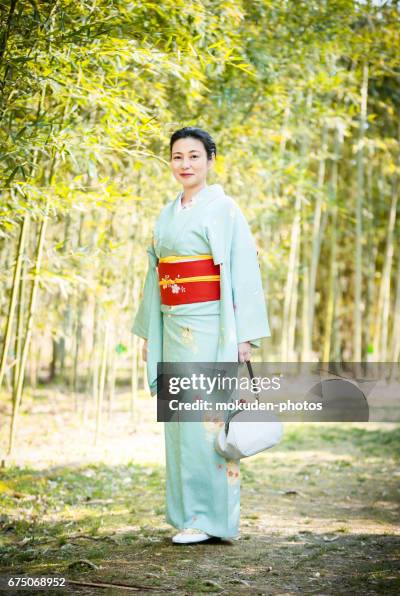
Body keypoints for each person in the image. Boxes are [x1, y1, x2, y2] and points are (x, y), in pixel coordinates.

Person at [131, 127, 270, 545]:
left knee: (207, 424)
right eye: (177, 157)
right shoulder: (167, 211)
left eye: (194, 156)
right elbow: (156, 276)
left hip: (212, 326)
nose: (185, 164)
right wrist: (150, 333)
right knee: (180, 424)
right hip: (173, 325)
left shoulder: (224, 209)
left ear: (210, 160)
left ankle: (211, 520)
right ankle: (187, 516)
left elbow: (244, 274)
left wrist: (243, 335)